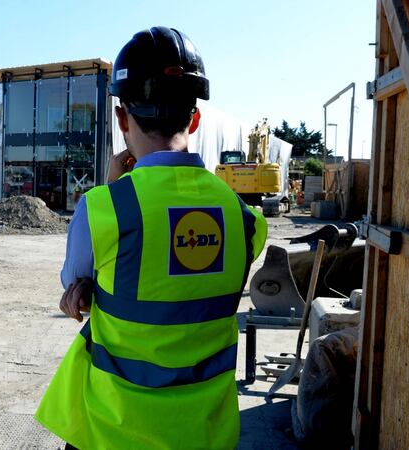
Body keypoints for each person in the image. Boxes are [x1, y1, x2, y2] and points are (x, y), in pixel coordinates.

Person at [35, 27, 267, 449]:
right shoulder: (245, 218)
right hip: (206, 432)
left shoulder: (103, 209)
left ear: (122, 119)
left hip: (113, 431)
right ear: (194, 119)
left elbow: (76, 284)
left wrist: (111, 189)